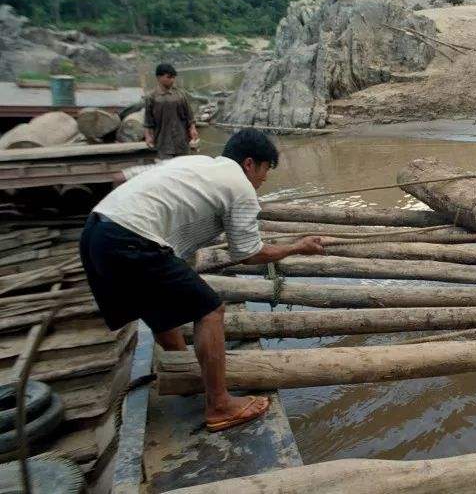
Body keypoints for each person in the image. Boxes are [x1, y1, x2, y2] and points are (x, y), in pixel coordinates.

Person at [80, 129, 325, 432]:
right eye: (264, 170)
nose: (263, 180)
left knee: (157, 301)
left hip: (95, 232)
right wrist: (297, 246)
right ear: (250, 163)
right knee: (210, 310)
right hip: (131, 241)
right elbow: (249, 253)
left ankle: (182, 370)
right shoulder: (240, 186)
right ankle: (219, 405)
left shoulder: (192, 163)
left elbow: (120, 178)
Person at [145, 63, 196, 159]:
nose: (172, 80)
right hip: (162, 141)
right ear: (159, 77)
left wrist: (192, 129)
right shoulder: (152, 97)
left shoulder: (180, 94)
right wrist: (148, 136)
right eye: (169, 77)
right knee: (167, 168)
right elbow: (148, 120)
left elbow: (189, 115)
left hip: (181, 140)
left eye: (173, 77)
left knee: (183, 167)